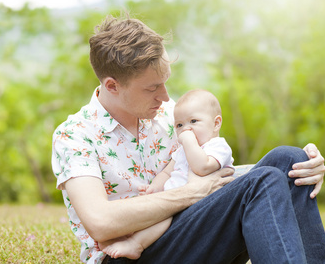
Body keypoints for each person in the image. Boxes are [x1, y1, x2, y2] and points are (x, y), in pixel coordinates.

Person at [52, 13, 325, 264]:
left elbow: (212, 171)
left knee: (288, 160)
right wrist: (191, 193)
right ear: (112, 85)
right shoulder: (75, 135)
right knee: (263, 181)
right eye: (152, 88)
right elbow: (100, 221)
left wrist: (305, 166)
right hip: (128, 254)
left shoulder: (169, 116)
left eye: (165, 83)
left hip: (185, 231)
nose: (164, 96)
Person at [101, 89, 235, 260]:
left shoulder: (218, 147)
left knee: (163, 219)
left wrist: (188, 141)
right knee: (155, 214)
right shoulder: (182, 151)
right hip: (176, 201)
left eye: (194, 121)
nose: (186, 129)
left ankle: (136, 245)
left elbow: (202, 167)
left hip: (201, 207)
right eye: (179, 125)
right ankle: (126, 236)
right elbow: (167, 172)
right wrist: (154, 188)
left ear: (216, 123)